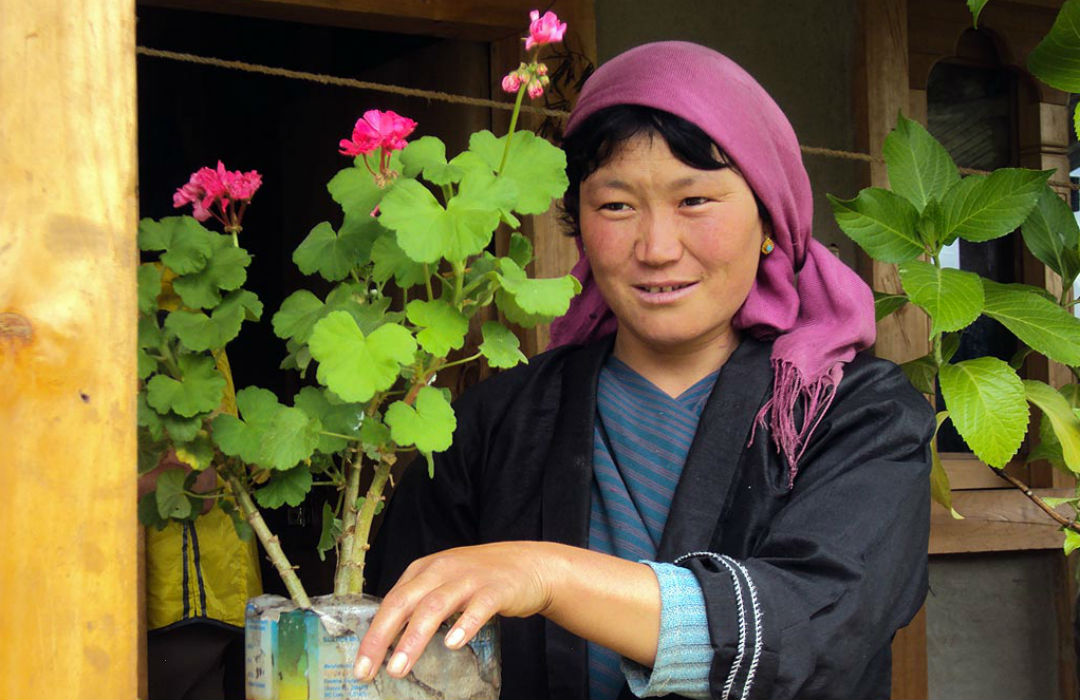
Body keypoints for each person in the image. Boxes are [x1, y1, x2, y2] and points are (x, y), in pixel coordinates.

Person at [357, 41, 934, 700]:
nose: (658, 249)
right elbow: (407, 642)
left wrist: (550, 576)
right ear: (577, 223)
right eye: (616, 206)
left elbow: (815, 621)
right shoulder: (496, 422)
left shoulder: (860, 414)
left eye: (695, 202)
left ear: (770, 218)